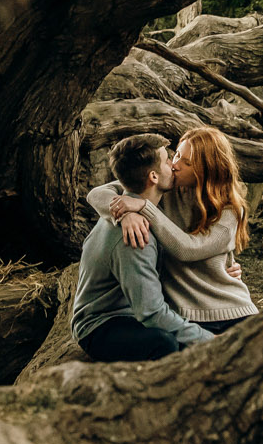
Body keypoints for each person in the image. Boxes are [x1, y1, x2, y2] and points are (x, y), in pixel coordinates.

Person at [86, 125, 257, 333]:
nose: (175, 165)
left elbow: (189, 249)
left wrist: (143, 207)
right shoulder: (164, 188)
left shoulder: (230, 210)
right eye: (176, 155)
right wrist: (125, 214)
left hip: (232, 310)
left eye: (187, 162)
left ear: (207, 169)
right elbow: (96, 194)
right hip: (184, 317)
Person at [70, 133, 216, 362]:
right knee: (165, 343)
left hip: (128, 313)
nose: (173, 165)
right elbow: (152, 314)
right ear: (154, 177)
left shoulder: (131, 206)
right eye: (168, 159)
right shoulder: (136, 236)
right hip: (101, 326)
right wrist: (215, 344)